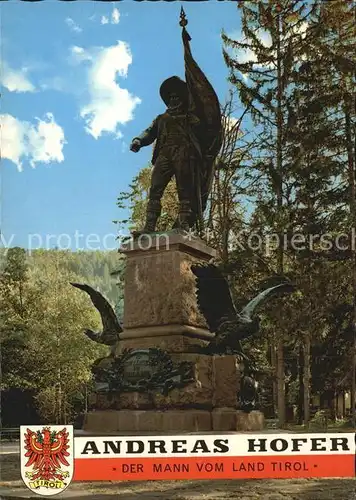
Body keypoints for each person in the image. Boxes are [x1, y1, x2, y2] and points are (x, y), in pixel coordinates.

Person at [130, 76, 202, 235]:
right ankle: (149, 227)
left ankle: (184, 224)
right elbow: (149, 132)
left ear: (183, 99)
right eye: (171, 97)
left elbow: (203, 133)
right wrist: (138, 141)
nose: (173, 99)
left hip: (183, 153)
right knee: (155, 189)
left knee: (184, 190)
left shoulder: (190, 117)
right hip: (164, 154)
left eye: (177, 97)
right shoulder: (161, 118)